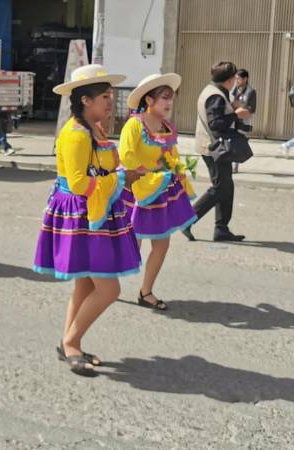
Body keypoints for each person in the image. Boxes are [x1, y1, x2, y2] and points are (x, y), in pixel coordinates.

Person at [32, 64, 141, 377]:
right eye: (104, 96)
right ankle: (71, 342)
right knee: (108, 289)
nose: (110, 102)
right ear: (85, 100)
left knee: (85, 282)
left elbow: (103, 170)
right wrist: (120, 178)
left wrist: (124, 174)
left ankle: (69, 343)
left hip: (97, 211)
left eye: (111, 96)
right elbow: (79, 183)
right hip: (81, 213)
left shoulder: (95, 128)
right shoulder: (77, 134)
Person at [119, 73, 197, 311]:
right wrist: (154, 169)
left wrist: (179, 169)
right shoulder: (135, 124)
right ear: (149, 100)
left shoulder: (167, 127)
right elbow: (126, 156)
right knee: (131, 242)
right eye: (164, 98)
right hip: (136, 191)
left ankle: (146, 291)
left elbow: (171, 155)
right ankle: (102, 281)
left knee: (162, 244)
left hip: (160, 190)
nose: (169, 103)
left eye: (171, 98)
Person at [182, 61, 251, 242]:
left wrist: (233, 108)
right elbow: (216, 123)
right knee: (221, 188)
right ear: (228, 80)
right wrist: (237, 114)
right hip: (214, 148)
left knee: (226, 187)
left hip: (214, 147)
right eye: (234, 77)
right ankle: (188, 220)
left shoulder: (214, 91)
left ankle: (221, 229)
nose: (236, 80)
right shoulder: (216, 96)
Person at [230, 68, 256, 172]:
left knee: (238, 141)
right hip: (233, 118)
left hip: (243, 120)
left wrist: (240, 106)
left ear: (245, 79)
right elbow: (231, 102)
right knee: (232, 141)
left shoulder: (251, 91)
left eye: (239, 79)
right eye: (235, 79)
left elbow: (252, 108)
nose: (236, 81)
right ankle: (233, 163)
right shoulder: (235, 90)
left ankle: (235, 165)